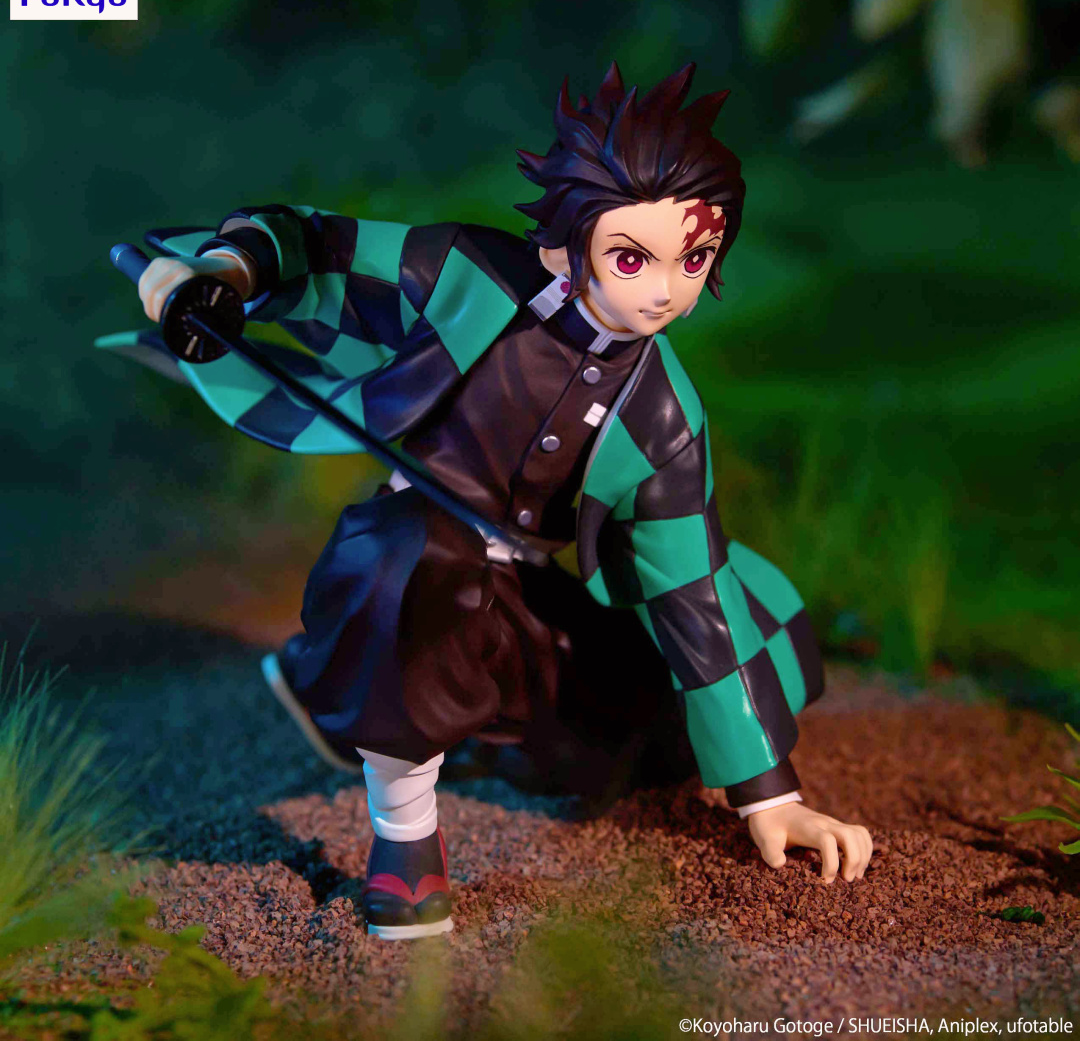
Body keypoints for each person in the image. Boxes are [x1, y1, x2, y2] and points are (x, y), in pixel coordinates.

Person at [104, 62, 873, 942]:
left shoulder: (665, 418)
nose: (665, 289)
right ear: (568, 243)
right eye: (632, 258)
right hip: (417, 544)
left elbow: (691, 590)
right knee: (406, 568)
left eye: (693, 259)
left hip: (527, 589)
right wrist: (227, 271)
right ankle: (404, 840)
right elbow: (317, 249)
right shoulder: (467, 277)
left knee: (628, 750)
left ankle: (357, 688)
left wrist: (769, 793)